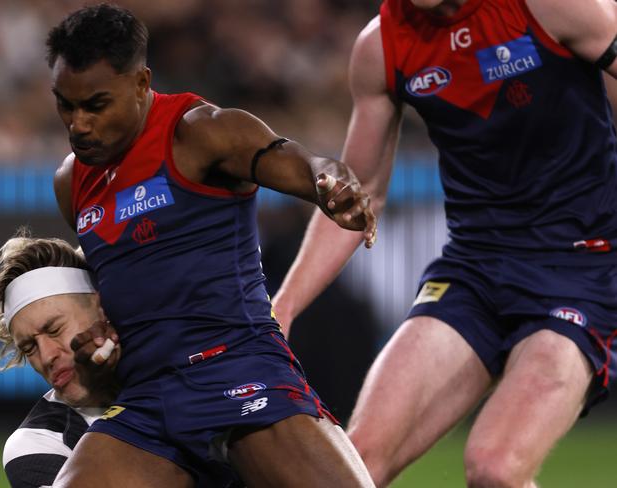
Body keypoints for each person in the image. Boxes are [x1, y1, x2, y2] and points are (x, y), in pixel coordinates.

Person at [272, 0, 617, 486]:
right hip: (473, 273)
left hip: (580, 269)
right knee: (353, 467)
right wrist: (283, 307)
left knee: (495, 468)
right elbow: (361, 190)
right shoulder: (382, 46)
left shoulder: (550, 7)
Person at [47, 4, 376, 487]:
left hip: (238, 367)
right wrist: (101, 334)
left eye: (95, 105)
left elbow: (293, 160)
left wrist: (327, 179)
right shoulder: (70, 182)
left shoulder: (200, 130)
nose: (78, 124)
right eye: (65, 105)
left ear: (141, 84)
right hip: (148, 397)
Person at [0, 234, 126, 487]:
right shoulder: (36, 444)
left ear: (102, 307)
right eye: (29, 347)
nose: (46, 357)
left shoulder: (185, 366)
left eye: (55, 329)